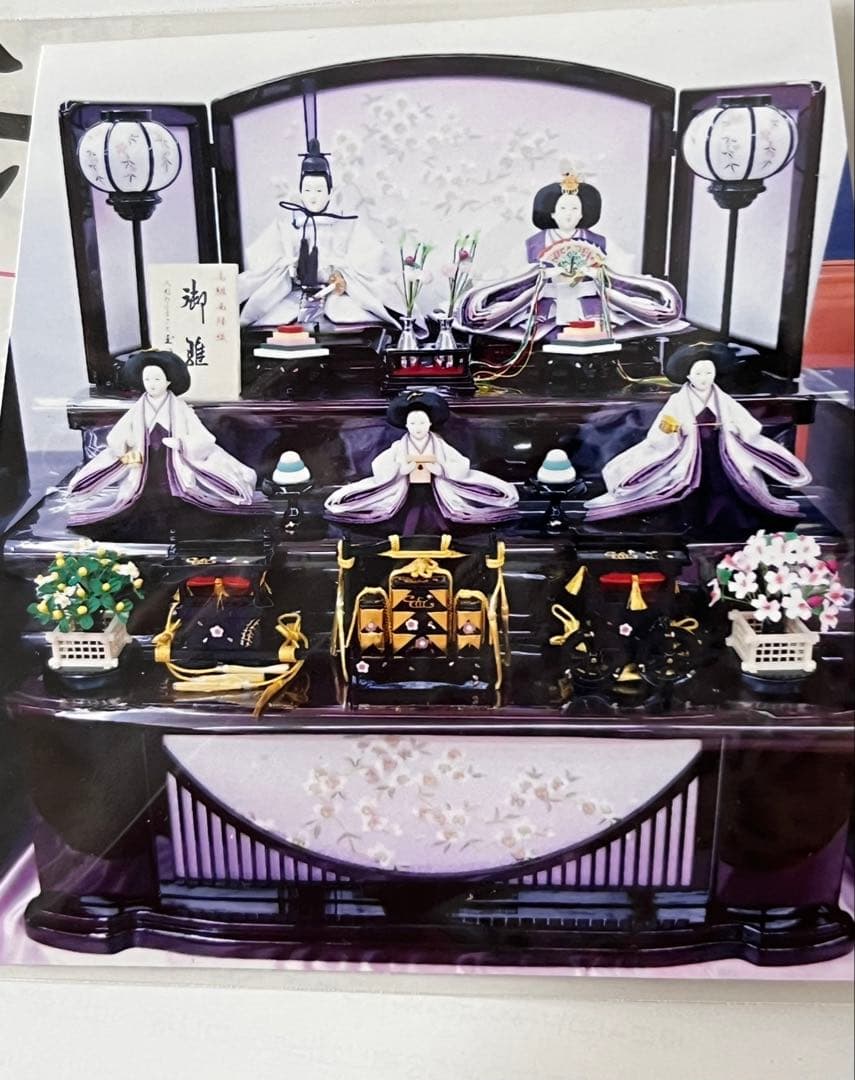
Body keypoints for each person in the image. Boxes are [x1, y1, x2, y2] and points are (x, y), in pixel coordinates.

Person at [583, 344, 812, 524]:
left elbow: (747, 424)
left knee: (726, 488)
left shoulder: (723, 399)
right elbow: (663, 429)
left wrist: (736, 428)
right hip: (690, 451)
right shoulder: (678, 400)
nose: (704, 377)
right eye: (699, 373)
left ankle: (725, 516)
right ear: (689, 376)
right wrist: (672, 430)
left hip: (720, 450)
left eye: (708, 372)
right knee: (687, 486)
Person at [457, 172, 684, 342]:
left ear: (583, 213)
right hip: (546, 303)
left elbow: (622, 269)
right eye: (563, 209)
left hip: (588, 301)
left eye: (575, 209)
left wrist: (598, 273)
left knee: (593, 332)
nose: (569, 215)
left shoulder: (599, 241)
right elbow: (513, 274)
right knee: (540, 332)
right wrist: (542, 274)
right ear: (552, 213)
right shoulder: (534, 243)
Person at [67, 349, 259, 527]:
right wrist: (126, 445)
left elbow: (204, 438)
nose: (152, 384)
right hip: (145, 464)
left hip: (174, 462)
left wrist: (181, 444)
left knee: (188, 503)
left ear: (168, 382)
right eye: (147, 379)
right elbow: (117, 436)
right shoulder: (137, 409)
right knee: (135, 502)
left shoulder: (181, 408)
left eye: (157, 379)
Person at [237, 139, 402, 329]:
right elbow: (262, 261)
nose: (313, 196)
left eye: (319, 190)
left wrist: (342, 274)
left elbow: (368, 260)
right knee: (277, 322)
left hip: (338, 295)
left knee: (349, 320)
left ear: (330, 192)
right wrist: (288, 269)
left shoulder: (348, 226)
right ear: (300, 192)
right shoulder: (286, 226)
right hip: (293, 295)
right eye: (307, 190)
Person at [324, 391, 519, 534]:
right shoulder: (399, 446)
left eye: (422, 423)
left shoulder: (439, 444)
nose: (418, 427)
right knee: (403, 521)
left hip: (435, 490)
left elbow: (459, 463)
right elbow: (380, 466)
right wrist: (400, 470)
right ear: (406, 425)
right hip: (406, 492)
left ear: (430, 424)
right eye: (413, 423)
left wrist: (441, 470)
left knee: (442, 521)